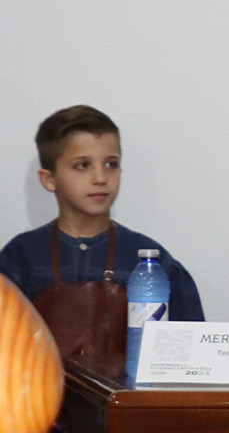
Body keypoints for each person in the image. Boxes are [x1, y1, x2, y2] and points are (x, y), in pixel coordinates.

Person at [1, 105, 204, 355]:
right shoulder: (21, 256)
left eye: (111, 164)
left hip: (129, 382)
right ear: (49, 179)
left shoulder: (151, 261)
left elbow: (193, 352)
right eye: (82, 165)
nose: (100, 177)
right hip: (39, 382)